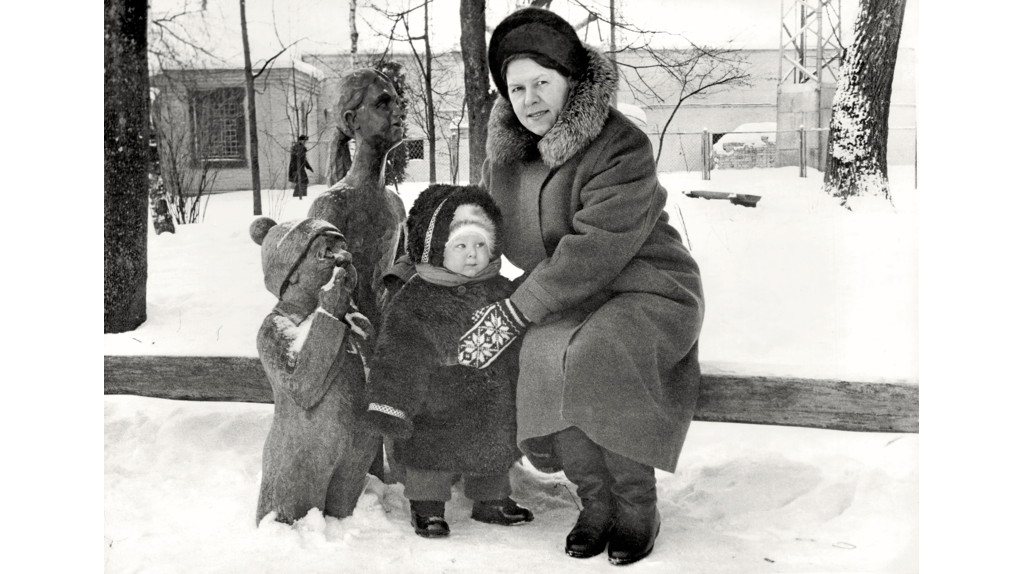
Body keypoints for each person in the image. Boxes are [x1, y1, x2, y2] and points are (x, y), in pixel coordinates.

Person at [457, 7, 705, 566]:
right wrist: (431, 264)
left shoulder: (621, 145)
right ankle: (595, 503)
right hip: (567, 295)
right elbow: (479, 225)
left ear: (570, 79)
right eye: (516, 87)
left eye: (542, 82)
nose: (530, 99)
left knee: (594, 352)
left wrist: (517, 310)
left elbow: (593, 250)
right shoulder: (506, 155)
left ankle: (637, 504)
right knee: (543, 351)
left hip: (647, 287)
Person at [364, 184, 534, 539]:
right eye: (461, 246)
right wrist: (390, 405)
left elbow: (521, 337)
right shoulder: (417, 298)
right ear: (437, 249)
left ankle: (491, 501)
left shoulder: (501, 291)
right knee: (430, 456)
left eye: (480, 245)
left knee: (495, 446)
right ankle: (427, 507)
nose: (473, 256)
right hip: (435, 402)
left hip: (492, 401)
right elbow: (397, 355)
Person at [249, 216, 377, 525]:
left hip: (353, 464)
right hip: (301, 465)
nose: (342, 258)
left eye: (341, 249)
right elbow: (303, 386)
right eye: (325, 252)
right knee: (299, 540)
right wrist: (329, 315)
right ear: (290, 274)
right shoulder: (276, 327)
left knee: (355, 532)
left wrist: (365, 338)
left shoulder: (347, 319)